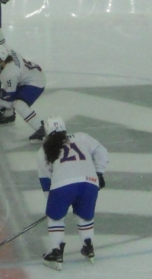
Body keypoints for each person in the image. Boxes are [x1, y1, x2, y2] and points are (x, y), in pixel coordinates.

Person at [38, 116, 108, 271]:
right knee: (85, 216)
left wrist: (54, 205)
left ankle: (56, 252)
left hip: (62, 186)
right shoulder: (82, 137)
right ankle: (88, 247)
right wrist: (99, 173)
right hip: (89, 182)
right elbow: (101, 151)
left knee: (55, 219)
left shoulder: (43, 150)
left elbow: (45, 179)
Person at [0, 45, 47, 142]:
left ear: (3, 59)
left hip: (35, 82)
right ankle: (9, 116)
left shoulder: (9, 73)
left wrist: (0, 108)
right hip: (31, 74)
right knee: (11, 91)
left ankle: (41, 128)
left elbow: (9, 96)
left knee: (19, 104)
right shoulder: (10, 53)